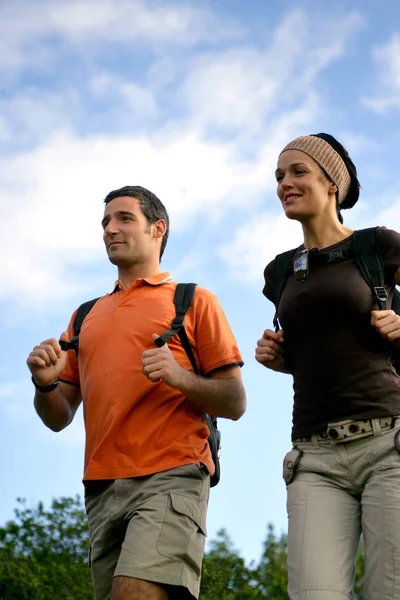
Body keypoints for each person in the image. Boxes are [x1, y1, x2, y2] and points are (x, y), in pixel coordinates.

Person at [27, 185, 246, 600]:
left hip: (171, 475)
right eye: (106, 222)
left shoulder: (193, 301)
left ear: (157, 228)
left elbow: (235, 402)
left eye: (124, 218)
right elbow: (58, 417)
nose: (111, 228)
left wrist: (179, 377)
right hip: (101, 488)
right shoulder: (85, 315)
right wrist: (45, 382)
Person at [255, 133, 400, 600]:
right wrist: (280, 359)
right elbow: (314, 356)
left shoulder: (377, 246)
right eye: (279, 176)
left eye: (298, 172)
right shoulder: (279, 272)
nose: (285, 183)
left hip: (390, 445)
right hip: (314, 458)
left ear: (332, 182)